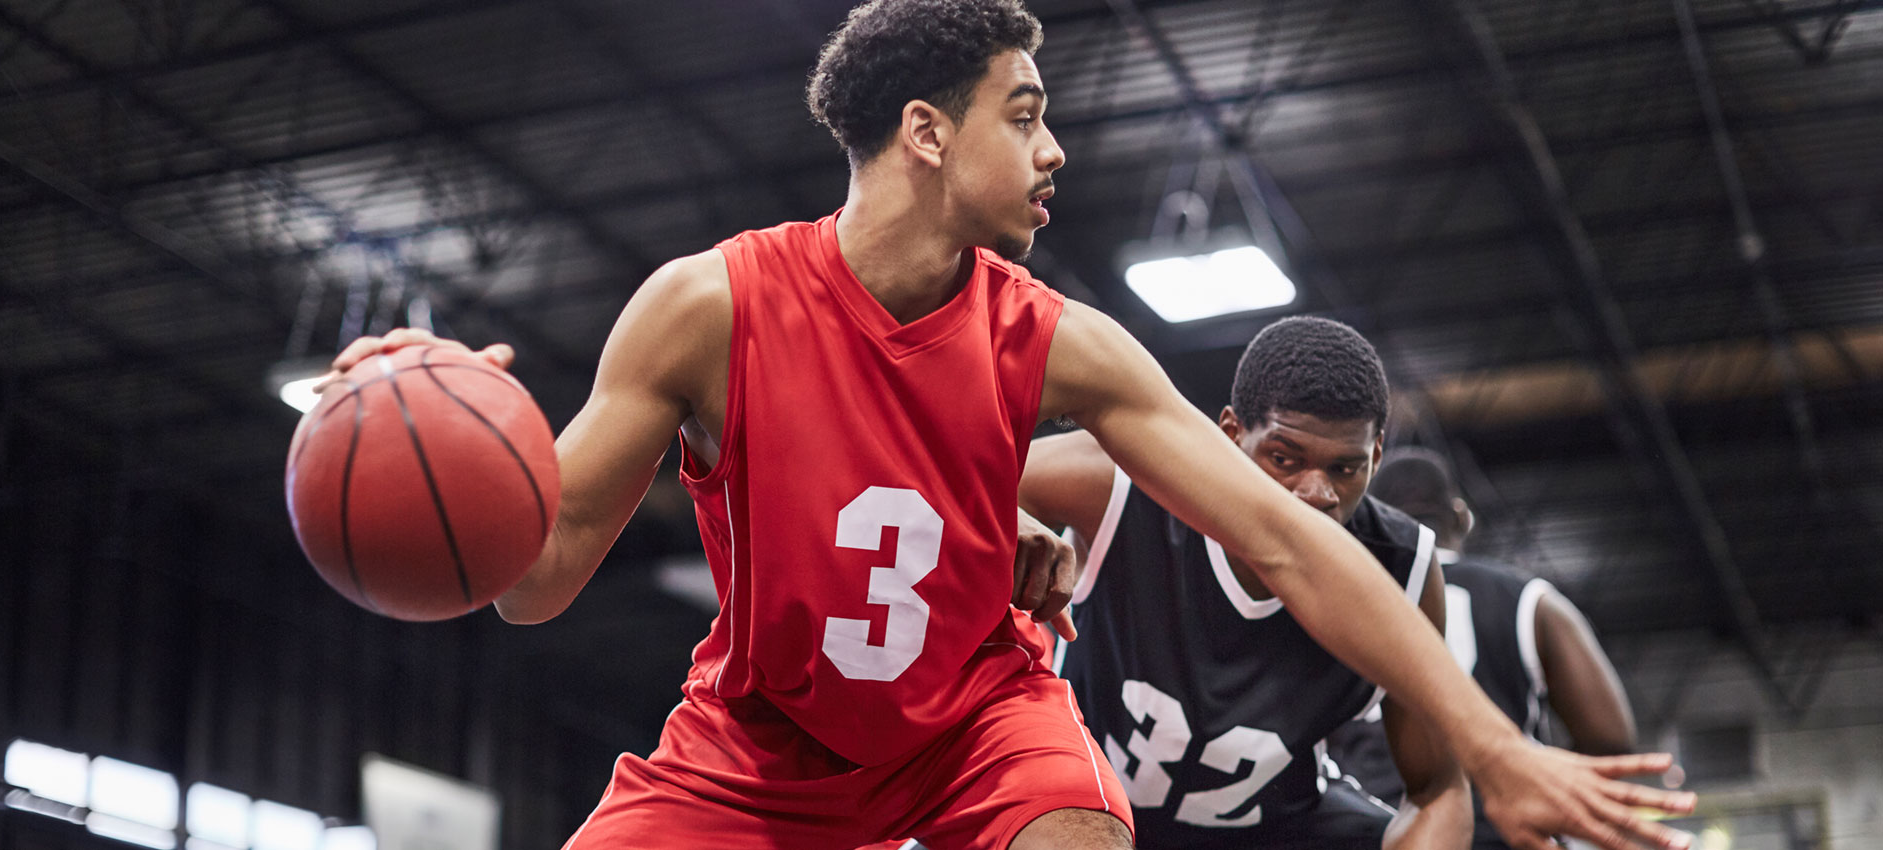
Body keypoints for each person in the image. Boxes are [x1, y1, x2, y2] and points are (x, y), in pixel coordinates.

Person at [318, 2, 1692, 848]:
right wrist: (447, 443)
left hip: (977, 717)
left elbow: (1279, 535)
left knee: (1074, 830)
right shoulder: (707, 309)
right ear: (923, 131)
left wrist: (1491, 739)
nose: (1053, 151)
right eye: (1023, 114)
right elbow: (534, 584)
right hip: (754, 742)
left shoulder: (1060, 344)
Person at [1019, 316, 1467, 849]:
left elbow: (1437, 786)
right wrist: (1008, 513)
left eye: (1345, 469)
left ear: (1375, 457)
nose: (1317, 493)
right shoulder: (1127, 482)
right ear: (1230, 434)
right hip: (1087, 806)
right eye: (1285, 459)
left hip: (1275, 827)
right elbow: (965, 477)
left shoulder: (1404, 567)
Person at [1328, 449, 1640, 850]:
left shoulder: (1335, 604)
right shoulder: (1530, 600)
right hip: (1506, 831)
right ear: (1461, 516)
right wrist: (1539, 781)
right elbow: (1610, 737)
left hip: (1383, 833)